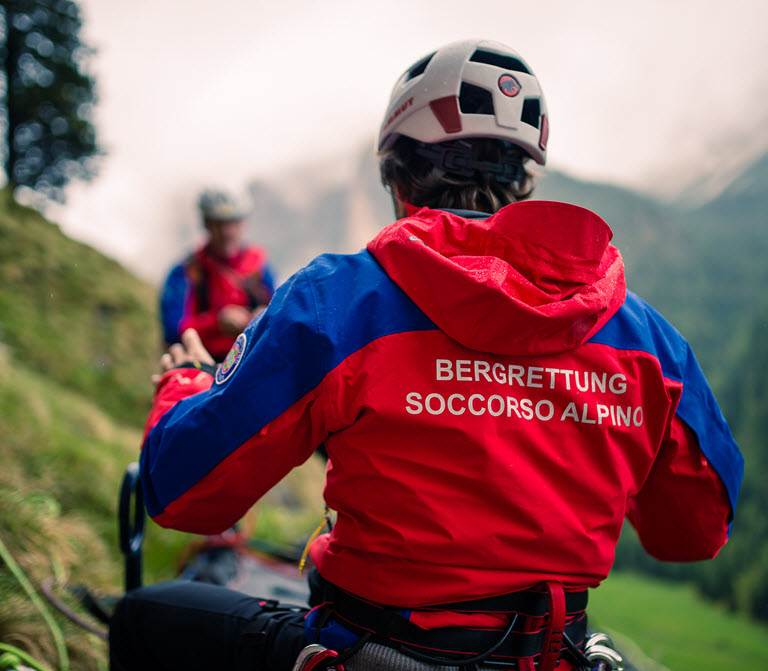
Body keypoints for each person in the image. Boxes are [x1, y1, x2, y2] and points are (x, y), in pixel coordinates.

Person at [110, 39, 743, 671]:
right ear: (524, 183)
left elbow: (183, 492)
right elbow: (694, 533)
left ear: (398, 177)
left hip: (373, 652)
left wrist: (186, 383)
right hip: (553, 655)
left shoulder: (337, 304)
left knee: (145, 615)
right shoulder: (649, 341)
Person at [159, 189, 277, 357]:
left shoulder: (259, 266)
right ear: (206, 224)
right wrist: (217, 324)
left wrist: (263, 316)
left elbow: (279, 311)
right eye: (218, 224)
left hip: (251, 358)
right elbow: (173, 331)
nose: (226, 232)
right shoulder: (186, 271)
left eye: (233, 223)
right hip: (203, 360)